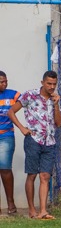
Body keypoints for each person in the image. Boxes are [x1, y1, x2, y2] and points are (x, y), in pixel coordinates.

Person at [6, 71, 61, 219]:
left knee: (45, 176)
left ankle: (43, 210)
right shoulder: (30, 95)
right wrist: (22, 128)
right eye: (49, 83)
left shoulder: (54, 99)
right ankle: (31, 209)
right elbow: (11, 112)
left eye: (54, 84)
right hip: (33, 140)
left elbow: (59, 123)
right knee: (32, 175)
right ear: (42, 82)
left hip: (49, 141)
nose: (51, 87)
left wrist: (56, 105)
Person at [0, 71, 19, 214]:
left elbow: (27, 100)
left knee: (5, 168)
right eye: (1, 82)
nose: (4, 84)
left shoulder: (13, 94)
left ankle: (11, 204)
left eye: (5, 81)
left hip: (6, 135)